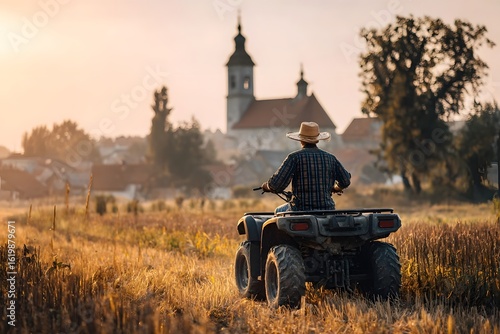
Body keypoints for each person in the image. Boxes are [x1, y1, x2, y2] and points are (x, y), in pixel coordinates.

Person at [261, 121, 351, 213]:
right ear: (317, 140)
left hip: (300, 209)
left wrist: (266, 186)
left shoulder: (294, 157)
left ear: (301, 140)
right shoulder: (331, 158)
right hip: (327, 209)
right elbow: (346, 181)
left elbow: (276, 185)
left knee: (278, 211)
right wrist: (336, 188)